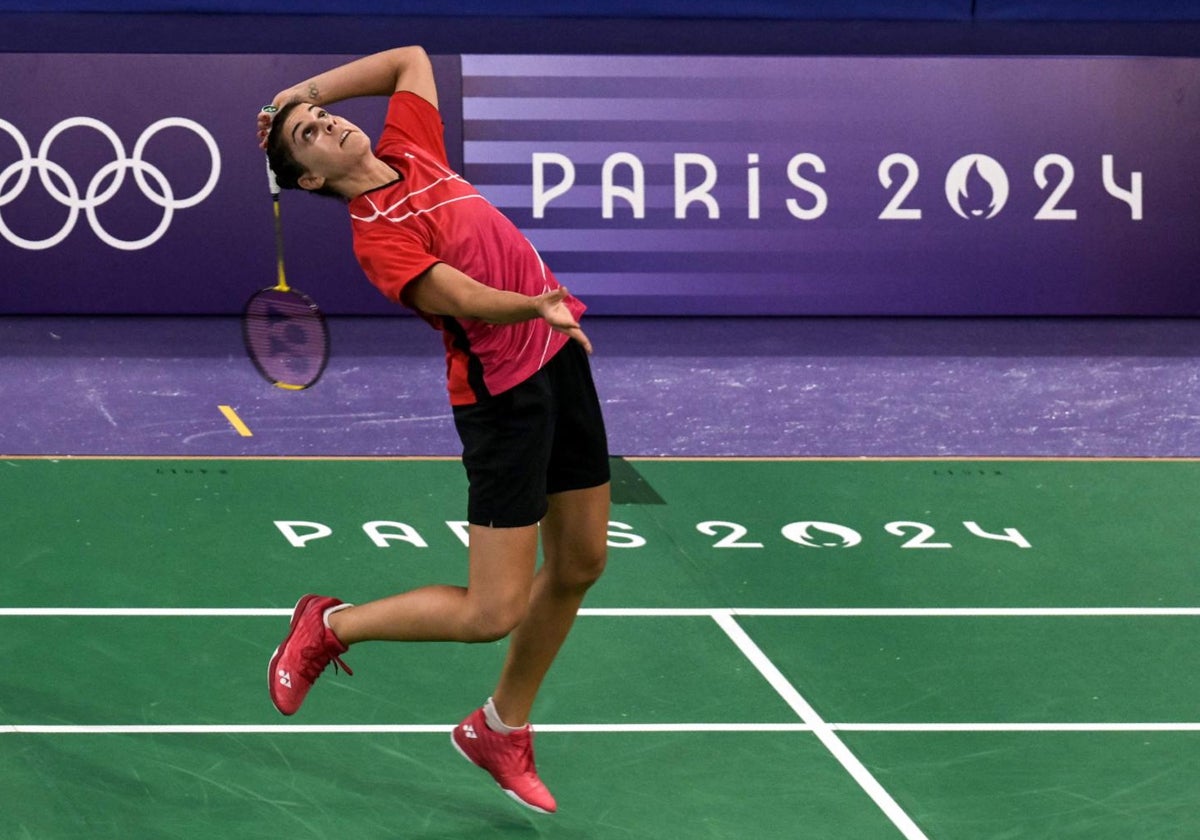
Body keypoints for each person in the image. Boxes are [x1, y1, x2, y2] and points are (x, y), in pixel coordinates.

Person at [257, 45, 611, 816]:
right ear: (310, 179)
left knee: (582, 562)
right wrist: (533, 305)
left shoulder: (411, 148)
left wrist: (300, 89)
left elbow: (410, 60)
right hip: (504, 400)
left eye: (326, 116)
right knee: (492, 612)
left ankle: (499, 729)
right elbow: (460, 295)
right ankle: (330, 624)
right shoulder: (374, 235)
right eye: (310, 136)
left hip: (558, 362)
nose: (329, 124)